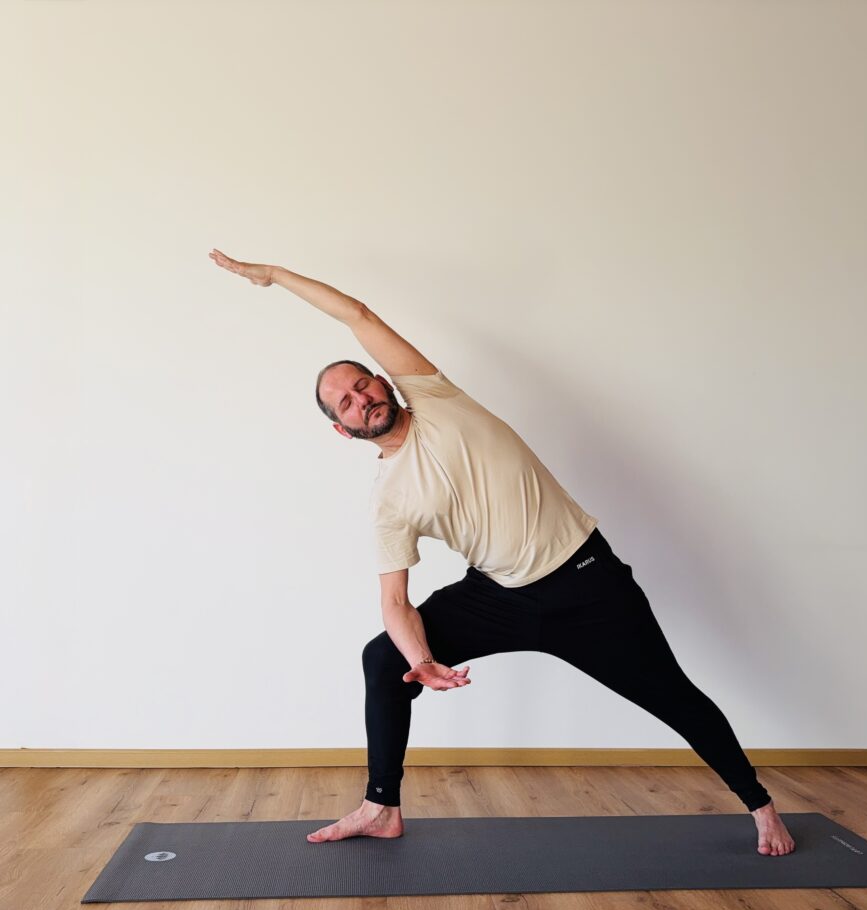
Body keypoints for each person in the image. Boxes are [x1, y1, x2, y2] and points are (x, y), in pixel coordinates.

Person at [208, 248, 796, 857]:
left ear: (384, 381)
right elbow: (394, 602)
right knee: (384, 659)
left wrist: (275, 276)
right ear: (343, 429)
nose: (361, 400)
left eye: (363, 385)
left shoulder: (437, 399)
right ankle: (381, 806)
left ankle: (761, 806)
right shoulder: (388, 501)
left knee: (672, 695)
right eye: (347, 404)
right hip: (500, 595)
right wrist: (422, 659)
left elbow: (357, 315)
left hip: (587, 582)